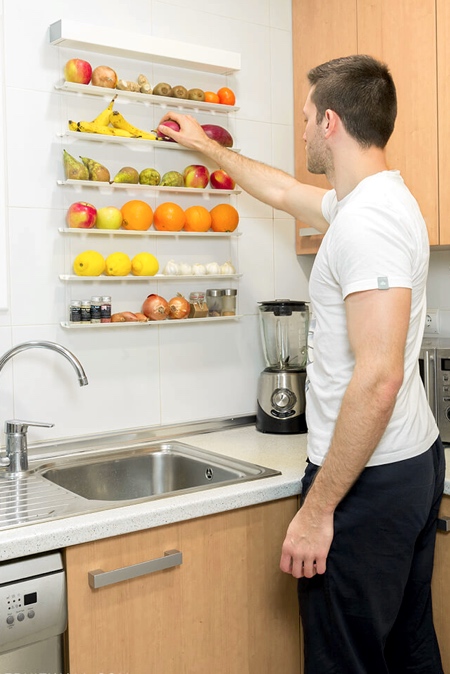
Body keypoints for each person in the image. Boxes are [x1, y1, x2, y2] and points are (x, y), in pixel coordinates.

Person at [157, 54, 446, 674]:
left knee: (344, 658)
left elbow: (380, 377)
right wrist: (203, 147)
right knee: (407, 650)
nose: (305, 130)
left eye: (308, 118)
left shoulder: (367, 222)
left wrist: (317, 512)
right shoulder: (372, 203)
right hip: (408, 464)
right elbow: (284, 191)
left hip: (370, 481)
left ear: (332, 123)